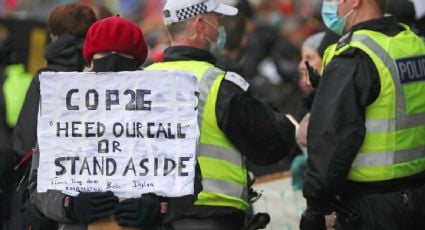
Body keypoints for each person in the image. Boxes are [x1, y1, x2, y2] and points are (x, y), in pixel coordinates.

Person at [29, 15, 202, 230]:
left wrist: (159, 206)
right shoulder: (65, 109)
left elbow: (188, 178)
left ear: (136, 61)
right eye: (104, 54)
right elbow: (39, 183)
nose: (112, 61)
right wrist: (69, 205)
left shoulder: (162, 109)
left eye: (122, 55)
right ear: (90, 59)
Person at [146, 0, 295, 229]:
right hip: (212, 216)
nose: (222, 28)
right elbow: (274, 142)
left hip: (153, 216)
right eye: (218, 20)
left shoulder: (141, 81)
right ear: (200, 24)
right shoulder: (218, 84)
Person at [300, 0, 425, 229]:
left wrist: (315, 206)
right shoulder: (413, 45)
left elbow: (333, 138)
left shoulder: (356, 55)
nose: (330, 5)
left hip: (373, 206)